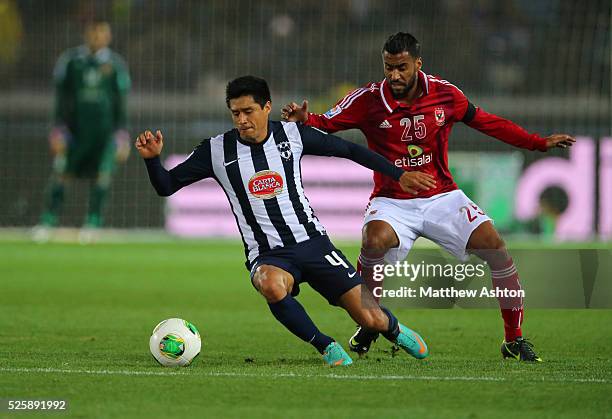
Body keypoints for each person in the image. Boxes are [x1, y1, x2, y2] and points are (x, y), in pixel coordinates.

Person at [281, 32, 576, 362]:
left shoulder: (445, 94)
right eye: (388, 67)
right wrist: (305, 119)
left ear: (418, 64)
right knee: (374, 240)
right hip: (392, 199)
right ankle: (370, 319)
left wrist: (536, 142)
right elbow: (327, 123)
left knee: (495, 248)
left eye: (402, 68)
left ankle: (514, 339)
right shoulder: (367, 99)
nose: (394, 75)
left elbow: (488, 123)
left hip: (442, 196)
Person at [135, 75, 430, 366]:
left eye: (248, 111)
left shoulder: (292, 135)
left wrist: (399, 175)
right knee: (271, 285)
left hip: (314, 244)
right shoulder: (215, 150)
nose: (241, 120)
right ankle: (325, 345)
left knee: (371, 318)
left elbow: (350, 150)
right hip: (268, 254)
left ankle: (392, 327)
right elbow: (167, 186)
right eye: (235, 113)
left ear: (266, 107)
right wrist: (152, 160)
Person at [34, 20, 131, 243]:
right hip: (74, 132)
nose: (98, 36)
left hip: (104, 135)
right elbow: (61, 99)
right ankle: (47, 222)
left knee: (102, 176)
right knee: (61, 174)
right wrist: (57, 130)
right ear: (87, 33)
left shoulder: (115, 65)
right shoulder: (71, 62)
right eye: (94, 31)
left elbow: (121, 104)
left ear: (108, 35)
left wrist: (122, 136)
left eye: (102, 32)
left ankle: (93, 223)